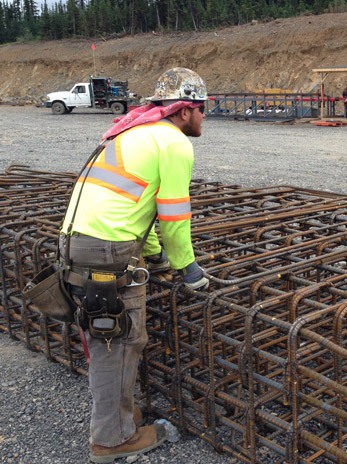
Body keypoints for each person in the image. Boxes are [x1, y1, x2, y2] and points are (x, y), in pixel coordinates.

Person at [58, 67, 211, 463]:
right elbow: (174, 214)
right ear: (182, 111)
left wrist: (156, 252)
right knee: (118, 342)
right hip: (107, 252)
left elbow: (140, 207)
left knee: (105, 337)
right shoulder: (174, 143)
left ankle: (118, 417)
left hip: (77, 245)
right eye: (200, 108)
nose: (204, 116)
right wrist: (187, 267)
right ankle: (112, 439)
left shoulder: (133, 133)